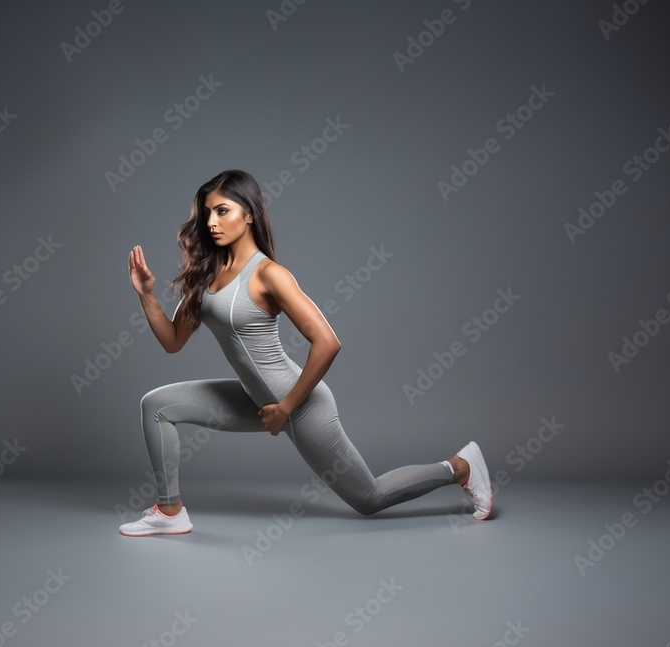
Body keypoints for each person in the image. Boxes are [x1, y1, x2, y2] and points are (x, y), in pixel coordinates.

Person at [119, 169, 491, 536]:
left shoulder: (268, 274)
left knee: (370, 498)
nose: (211, 221)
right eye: (207, 212)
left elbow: (328, 342)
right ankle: (170, 512)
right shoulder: (208, 274)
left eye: (222, 210)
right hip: (257, 400)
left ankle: (460, 467)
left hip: (300, 403)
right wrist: (146, 295)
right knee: (156, 406)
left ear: (248, 214)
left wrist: (286, 408)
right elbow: (172, 341)